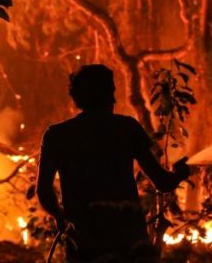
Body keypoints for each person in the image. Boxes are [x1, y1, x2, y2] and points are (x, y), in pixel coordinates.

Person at [37, 64, 191, 262]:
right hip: (128, 238)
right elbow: (163, 183)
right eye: (111, 91)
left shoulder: (56, 135)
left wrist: (60, 217)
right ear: (103, 94)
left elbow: (43, 189)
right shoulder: (126, 128)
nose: (114, 98)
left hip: (84, 239)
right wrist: (178, 173)